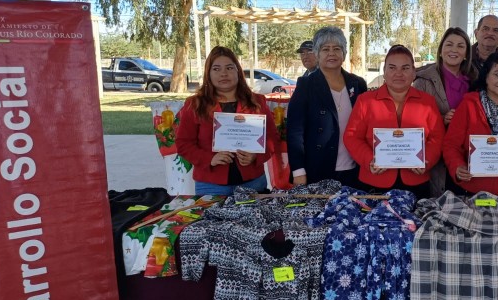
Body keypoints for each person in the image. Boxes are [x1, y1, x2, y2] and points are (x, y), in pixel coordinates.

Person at [344, 45, 445, 198]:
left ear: (413, 72)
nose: (398, 73)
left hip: (416, 181)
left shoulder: (427, 102)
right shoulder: (365, 101)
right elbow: (351, 137)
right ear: (384, 72)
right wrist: (369, 160)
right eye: (392, 68)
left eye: (405, 68)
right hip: (374, 181)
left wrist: (426, 160)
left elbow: (438, 138)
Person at [176, 45, 279, 196]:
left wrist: (256, 156)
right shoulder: (195, 104)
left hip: (253, 183)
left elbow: (272, 139)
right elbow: (183, 144)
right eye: (216, 69)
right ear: (208, 74)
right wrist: (210, 159)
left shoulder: (257, 102)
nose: (223, 73)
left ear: (238, 71)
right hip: (210, 185)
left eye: (229, 68)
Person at [443, 52, 498, 197]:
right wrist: (457, 167)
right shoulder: (468, 105)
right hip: (473, 189)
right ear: (486, 76)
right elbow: (451, 145)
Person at [286, 27, 368, 187]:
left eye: (337, 49)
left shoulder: (358, 84)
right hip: (317, 169)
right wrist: (298, 171)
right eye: (325, 49)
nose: (332, 53)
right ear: (317, 54)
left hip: (354, 169)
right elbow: (295, 131)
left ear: (344, 53)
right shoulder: (306, 85)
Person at [413, 27, 476, 196]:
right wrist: (441, 118)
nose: (454, 50)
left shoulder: (475, 80)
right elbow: (414, 121)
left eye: (460, 46)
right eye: (449, 44)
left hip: (466, 154)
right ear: (441, 50)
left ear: (466, 53)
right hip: (436, 156)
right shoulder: (423, 81)